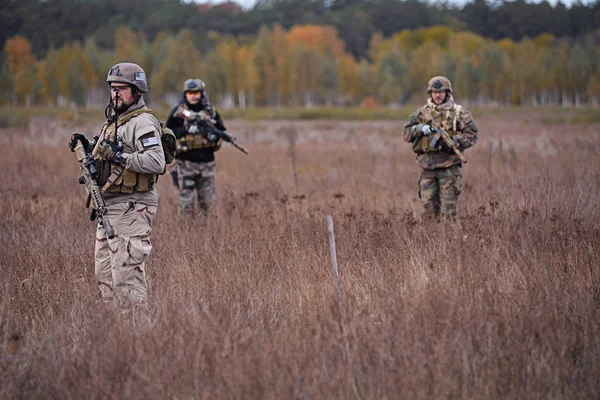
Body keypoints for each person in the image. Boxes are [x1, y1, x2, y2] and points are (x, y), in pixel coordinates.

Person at [68, 62, 165, 307]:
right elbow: (106, 155)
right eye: (112, 88)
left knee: (127, 278)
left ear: (137, 92)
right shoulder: (114, 121)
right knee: (106, 277)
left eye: (122, 89)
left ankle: (137, 336)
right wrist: (88, 147)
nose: (115, 94)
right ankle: (118, 336)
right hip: (109, 207)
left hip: (133, 207)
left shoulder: (142, 122)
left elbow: (156, 161)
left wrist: (119, 157)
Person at [403, 76, 478, 221]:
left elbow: (472, 135)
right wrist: (420, 128)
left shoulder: (459, 113)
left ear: (447, 93)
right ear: (430, 93)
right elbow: (406, 134)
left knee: (449, 213)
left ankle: (449, 242)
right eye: (434, 92)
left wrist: (454, 141)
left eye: (441, 92)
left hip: (449, 169)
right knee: (427, 214)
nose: (438, 95)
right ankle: (430, 242)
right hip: (427, 169)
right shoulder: (421, 113)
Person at [166, 78, 227, 216]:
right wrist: (186, 129)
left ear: (202, 93)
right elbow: (168, 133)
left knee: (207, 204)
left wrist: (212, 135)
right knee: (186, 204)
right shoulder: (179, 112)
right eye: (190, 93)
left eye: (196, 92)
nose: (193, 96)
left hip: (207, 164)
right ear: (185, 94)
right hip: (185, 163)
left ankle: (204, 233)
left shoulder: (211, 113)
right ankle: (187, 233)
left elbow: (221, 131)